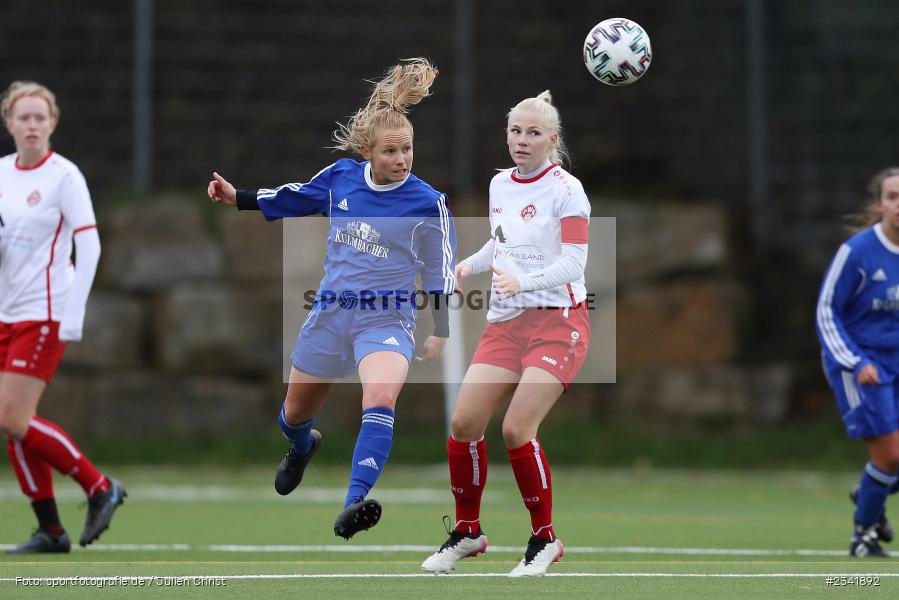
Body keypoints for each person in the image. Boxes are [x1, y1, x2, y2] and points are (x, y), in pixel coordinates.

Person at [207, 58, 456, 540]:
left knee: (380, 398)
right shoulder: (342, 178)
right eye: (390, 151)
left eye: (407, 149)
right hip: (330, 314)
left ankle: (354, 503)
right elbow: (295, 195)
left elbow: (439, 270)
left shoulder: (429, 202)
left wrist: (441, 328)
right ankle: (301, 447)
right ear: (367, 152)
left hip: (386, 319)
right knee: (294, 415)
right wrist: (239, 196)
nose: (402, 159)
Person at [421, 90, 590, 577]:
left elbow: (575, 261)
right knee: (464, 424)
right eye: (515, 131)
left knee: (517, 428)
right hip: (506, 323)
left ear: (552, 140)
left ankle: (544, 539)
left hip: (558, 323)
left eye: (533, 133)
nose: (522, 140)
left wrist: (524, 282)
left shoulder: (566, 189)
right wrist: (466, 267)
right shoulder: (501, 184)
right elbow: (501, 244)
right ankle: (468, 531)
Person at [0, 81, 125, 554]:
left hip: (46, 311)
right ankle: (50, 530)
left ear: (52, 123)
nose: (31, 126)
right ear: (9, 123)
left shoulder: (64, 177)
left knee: (12, 416)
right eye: (23, 117)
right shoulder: (1, 175)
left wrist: (73, 315)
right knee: (14, 421)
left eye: (40, 118)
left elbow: (88, 245)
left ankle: (99, 487)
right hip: (6, 313)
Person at [816, 167, 899, 557]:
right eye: (893, 196)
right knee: (891, 456)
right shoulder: (858, 252)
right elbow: (827, 312)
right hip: (862, 365)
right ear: (879, 203)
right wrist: (853, 360)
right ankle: (862, 536)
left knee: (886, 465)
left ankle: (872, 488)